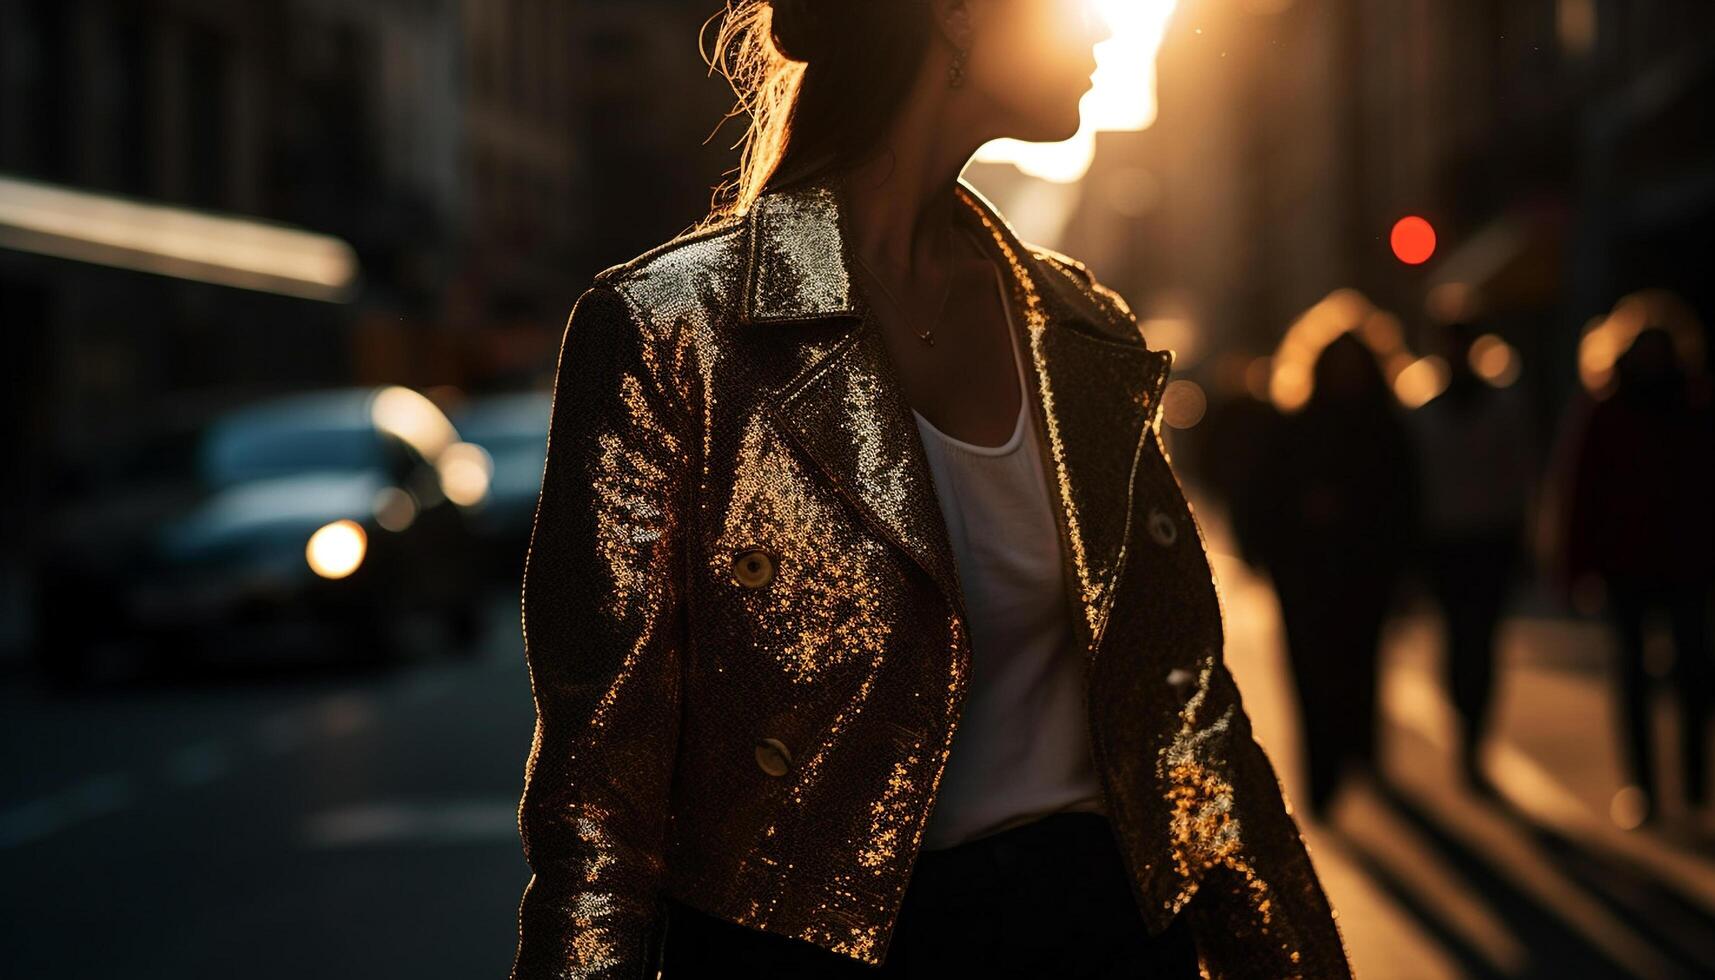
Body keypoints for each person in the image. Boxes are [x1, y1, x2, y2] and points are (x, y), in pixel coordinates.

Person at [509, 1, 1352, 977]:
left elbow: (1190, 725)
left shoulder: (1081, 332)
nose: (1107, 34)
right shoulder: (672, 335)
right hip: (812, 946)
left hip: (1103, 928)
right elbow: (598, 804)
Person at [1250, 333, 1419, 818]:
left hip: (1367, 571)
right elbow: (1262, 496)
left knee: (1361, 665)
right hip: (1305, 573)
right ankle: (1323, 775)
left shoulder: (1385, 427)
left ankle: (1360, 754)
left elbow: (1404, 500)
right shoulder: (1294, 427)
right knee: (1309, 674)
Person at [1562, 324, 1715, 826]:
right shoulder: (1607, 411)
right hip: (1626, 562)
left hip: (1687, 559)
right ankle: (1644, 787)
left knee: (1694, 670)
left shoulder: (1694, 406)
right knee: (1633, 674)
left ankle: (1695, 783)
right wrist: (1577, 565)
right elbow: (1583, 490)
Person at [1406, 321, 1536, 795]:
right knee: (1457, 641)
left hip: (1491, 540)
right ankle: (1463, 719)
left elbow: (1520, 475)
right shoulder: (1421, 413)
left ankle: (1475, 735)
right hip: (1444, 544)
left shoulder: (1503, 407)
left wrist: (1524, 535)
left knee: (1482, 640)